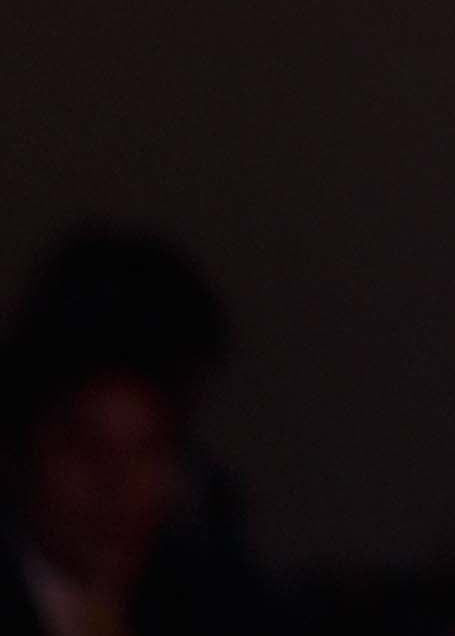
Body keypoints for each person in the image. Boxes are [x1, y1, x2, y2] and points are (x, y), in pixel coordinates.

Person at [0, 228, 270, 636]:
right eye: (85, 449)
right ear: (21, 455)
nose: (117, 484)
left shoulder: (215, 605)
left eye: (147, 450)